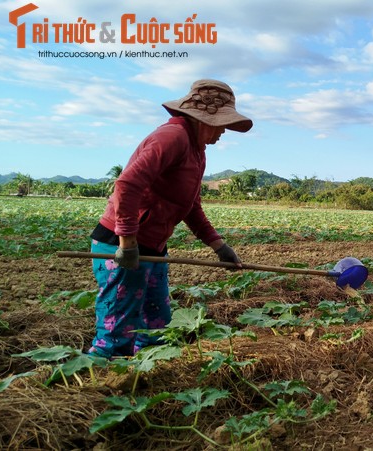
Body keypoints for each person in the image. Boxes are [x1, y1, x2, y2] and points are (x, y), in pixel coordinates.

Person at [87, 79, 252, 358]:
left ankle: (147, 378)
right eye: (222, 122)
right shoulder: (172, 137)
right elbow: (127, 185)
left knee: (157, 327)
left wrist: (218, 246)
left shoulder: (197, 151)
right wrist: (127, 243)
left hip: (154, 249)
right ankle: (100, 386)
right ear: (204, 118)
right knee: (117, 333)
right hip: (122, 245)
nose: (224, 130)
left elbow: (190, 206)